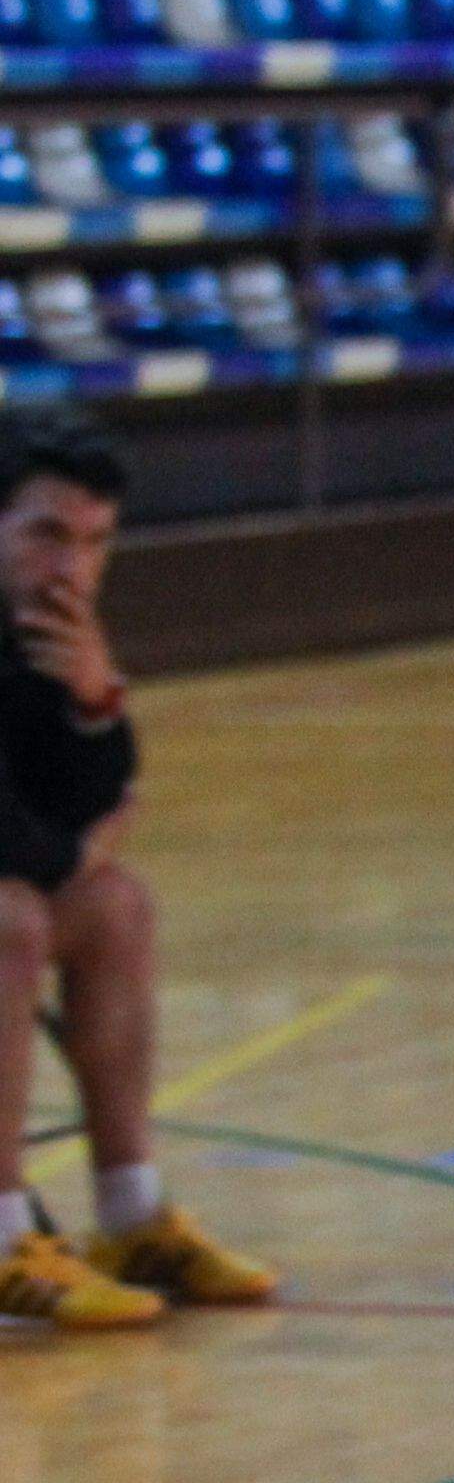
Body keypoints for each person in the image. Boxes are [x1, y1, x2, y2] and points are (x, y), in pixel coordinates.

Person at [0, 413, 269, 1331]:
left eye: (94, 543)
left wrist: (94, 698)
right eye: (45, 535)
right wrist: (74, 847)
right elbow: (24, 837)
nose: (72, 567)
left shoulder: (42, 627)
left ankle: (131, 1213)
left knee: (114, 905)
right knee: (11, 918)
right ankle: (1, 1242)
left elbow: (95, 799)